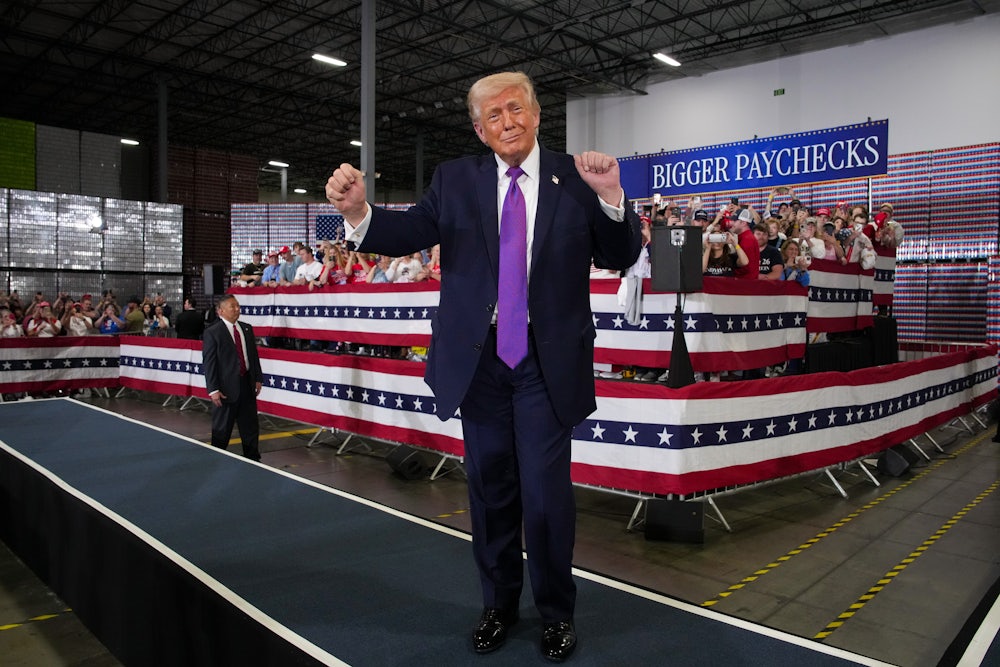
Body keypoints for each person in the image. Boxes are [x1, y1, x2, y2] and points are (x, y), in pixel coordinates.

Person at [325, 71, 641, 662]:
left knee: (546, 496)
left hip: (546, 365)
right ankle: (498, 604)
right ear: (479, 129)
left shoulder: (576, 179)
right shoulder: (455, 179)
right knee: (490, 492)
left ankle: (556, 613)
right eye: (492, 116)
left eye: (515, 109)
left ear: (538, 113)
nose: (507, 123)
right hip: (481, 364)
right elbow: (407, 231)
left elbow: (620, 255)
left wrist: (612, 198)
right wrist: (360, 211)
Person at [202, 295, 263, 461]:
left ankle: (253, 459)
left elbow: (253, 357)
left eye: (238, 306)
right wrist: (213, 389)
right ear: (221, 311)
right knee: (222, 430)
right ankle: (216, 459)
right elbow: (209, 363)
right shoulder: (212, 332)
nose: (237, 309)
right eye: (232, 306)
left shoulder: (247, 329)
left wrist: (258, 378)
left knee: (250, 427)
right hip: (225, 390)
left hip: (247, 386)